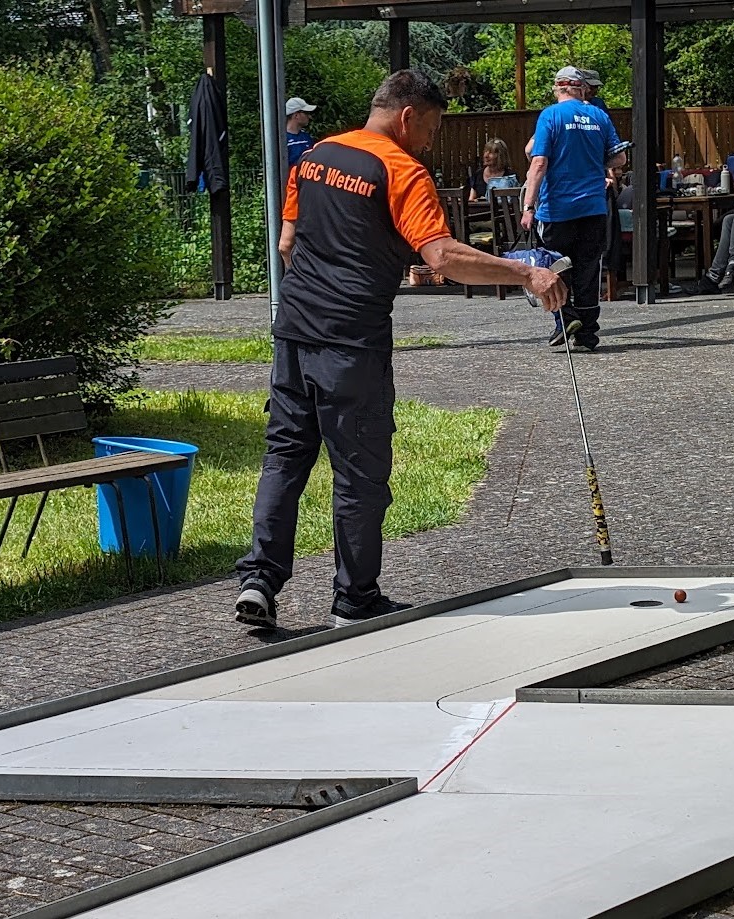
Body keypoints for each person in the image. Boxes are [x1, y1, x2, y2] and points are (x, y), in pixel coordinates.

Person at [233, 71, 566, 632]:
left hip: (293, 330)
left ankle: (259, 580)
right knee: (359, 472)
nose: (431, 143)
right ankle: (354, 599)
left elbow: (289, 243)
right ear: (408, 117)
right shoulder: (401, 169)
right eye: (432, 129)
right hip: (352, 342)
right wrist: (524, 274)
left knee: (286, 456)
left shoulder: (314, 156)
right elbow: (443, 258)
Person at [521, 66, 626, 352]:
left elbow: (538, 162)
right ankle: (588, 333)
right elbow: (619, 158)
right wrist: (593, 159)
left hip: (558, 209)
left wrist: (528, 206)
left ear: (558, 89)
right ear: (581, 89)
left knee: (555, 268)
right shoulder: (599, 116)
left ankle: (565, 319)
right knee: (589, 270)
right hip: (593, 207)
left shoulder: (551, 116)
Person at [468, 137, 517, 202]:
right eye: (485, 151)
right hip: (482, 212)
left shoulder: (511, 177)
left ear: (500, 155)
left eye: (491, 152)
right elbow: (471, 200)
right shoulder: (477, 175)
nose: (486, 155)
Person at [284, 96, 318, 168]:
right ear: (296, 115)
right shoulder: (282, 140)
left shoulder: (306, 137)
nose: (309, 117)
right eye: (306, 113)